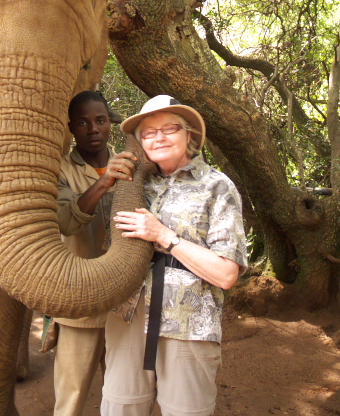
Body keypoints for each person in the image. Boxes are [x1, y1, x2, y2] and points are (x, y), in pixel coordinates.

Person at [102, 95, 248, 416]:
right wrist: (105, 183)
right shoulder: (133, 184)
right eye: (148, 132)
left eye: (169, 128)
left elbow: (226, 275)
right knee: (119, 408)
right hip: (127, 319)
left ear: (189, 134)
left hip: (188, 325)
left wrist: (163, 236)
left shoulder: (217, 186)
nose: (159, 137)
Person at [54, 91, 137, 416]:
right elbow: (65, 222)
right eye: (82, 122)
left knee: (126, 397)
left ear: (110, 124)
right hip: (80, 303)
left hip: (125, 303)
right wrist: (104, 183)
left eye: (100, 120)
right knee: (71, 398)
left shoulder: (133, 166)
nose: (93, 129)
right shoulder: (60, 170)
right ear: (71, 127)